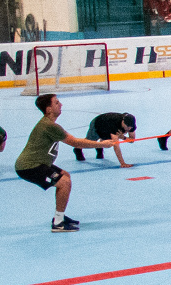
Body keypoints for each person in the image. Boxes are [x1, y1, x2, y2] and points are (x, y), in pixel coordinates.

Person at [15, 95, 123, 231]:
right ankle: (58, 224)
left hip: (39, 163)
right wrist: (102, 144)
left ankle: (59, 216)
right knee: (64, 182)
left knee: (65, 176)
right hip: (29, 167)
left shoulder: (50, 125)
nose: (61, 105)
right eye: (56, 103)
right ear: (48, 109)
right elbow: (75, 142)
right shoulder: (49, 126)